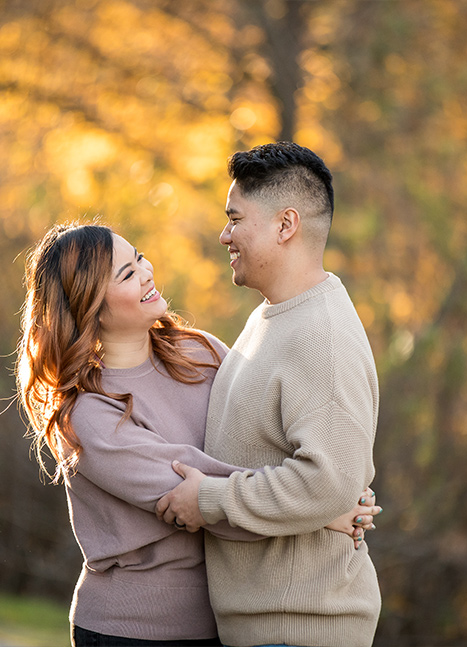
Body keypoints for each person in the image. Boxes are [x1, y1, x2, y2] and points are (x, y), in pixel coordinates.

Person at [16, 223, 379, 646]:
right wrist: (316, 510)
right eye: (127, 275)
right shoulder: (89, 414)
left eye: (140, 257)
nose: (147, 272)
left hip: (226, 621)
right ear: (90, 305)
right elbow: (192, 495)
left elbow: (261, 443)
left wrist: (323, 485)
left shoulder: (200, 352)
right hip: (133, 631)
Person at [156, 142, 382, 647]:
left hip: (302, 630)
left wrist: (210, 500)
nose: (224, 235)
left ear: (286, 225)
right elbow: (329, 484)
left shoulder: (321, 337)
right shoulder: (274, 316)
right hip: (264, 630)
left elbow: (327, 484)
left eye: (235, 219)